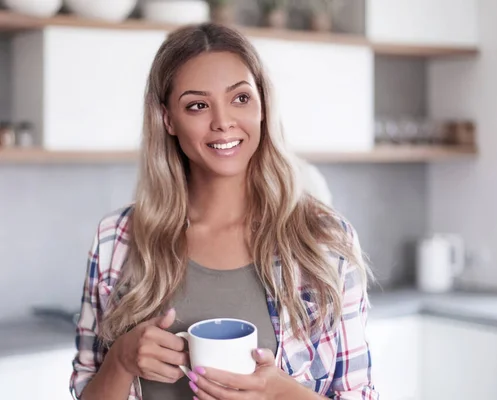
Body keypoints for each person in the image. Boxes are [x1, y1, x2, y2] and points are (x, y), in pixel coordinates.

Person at [69, 22, 378, 400]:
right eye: (197, 105)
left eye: (241, 98)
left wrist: (281, 393)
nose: (223, 122)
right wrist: (120, 361)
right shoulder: (116, 239)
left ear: (263, 106)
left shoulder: (324, 240)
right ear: (168, 119)